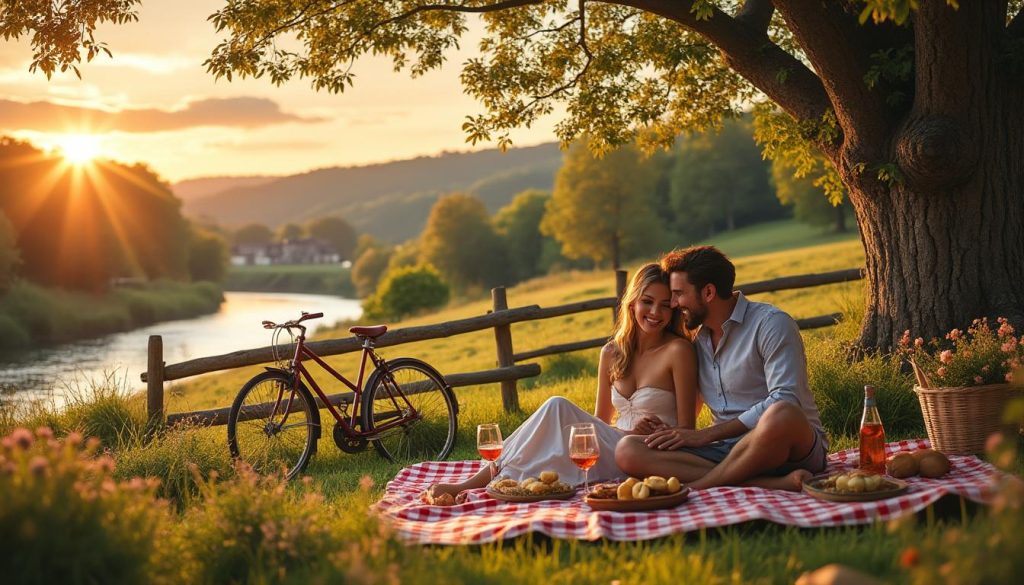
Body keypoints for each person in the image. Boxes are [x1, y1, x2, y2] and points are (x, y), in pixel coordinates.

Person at [426, 263, 699, 500]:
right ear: (632, 303)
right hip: (613, 442)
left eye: (665, 305)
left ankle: (469, 484)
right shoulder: (612, 352)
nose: (655, 312)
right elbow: (598, 424)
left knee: (556, 407)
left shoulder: (678, 351)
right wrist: (624, 432)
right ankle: (490, 479)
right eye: (647, 301)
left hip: (645, 451)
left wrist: (644, 435)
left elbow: (687, 428)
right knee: (547, 439)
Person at [615, 246, 828, 492]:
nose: (673, 304)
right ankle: (761, 483)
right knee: (628, 449)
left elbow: (786, 397)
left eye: (678, 294)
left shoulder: (771, 324)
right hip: (726, 451)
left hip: (785, 446)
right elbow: (688, 412)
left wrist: (707, 435)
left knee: (781, 413)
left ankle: (701, 486)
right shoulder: (696, 341)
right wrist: (666, 432)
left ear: (708, 292)